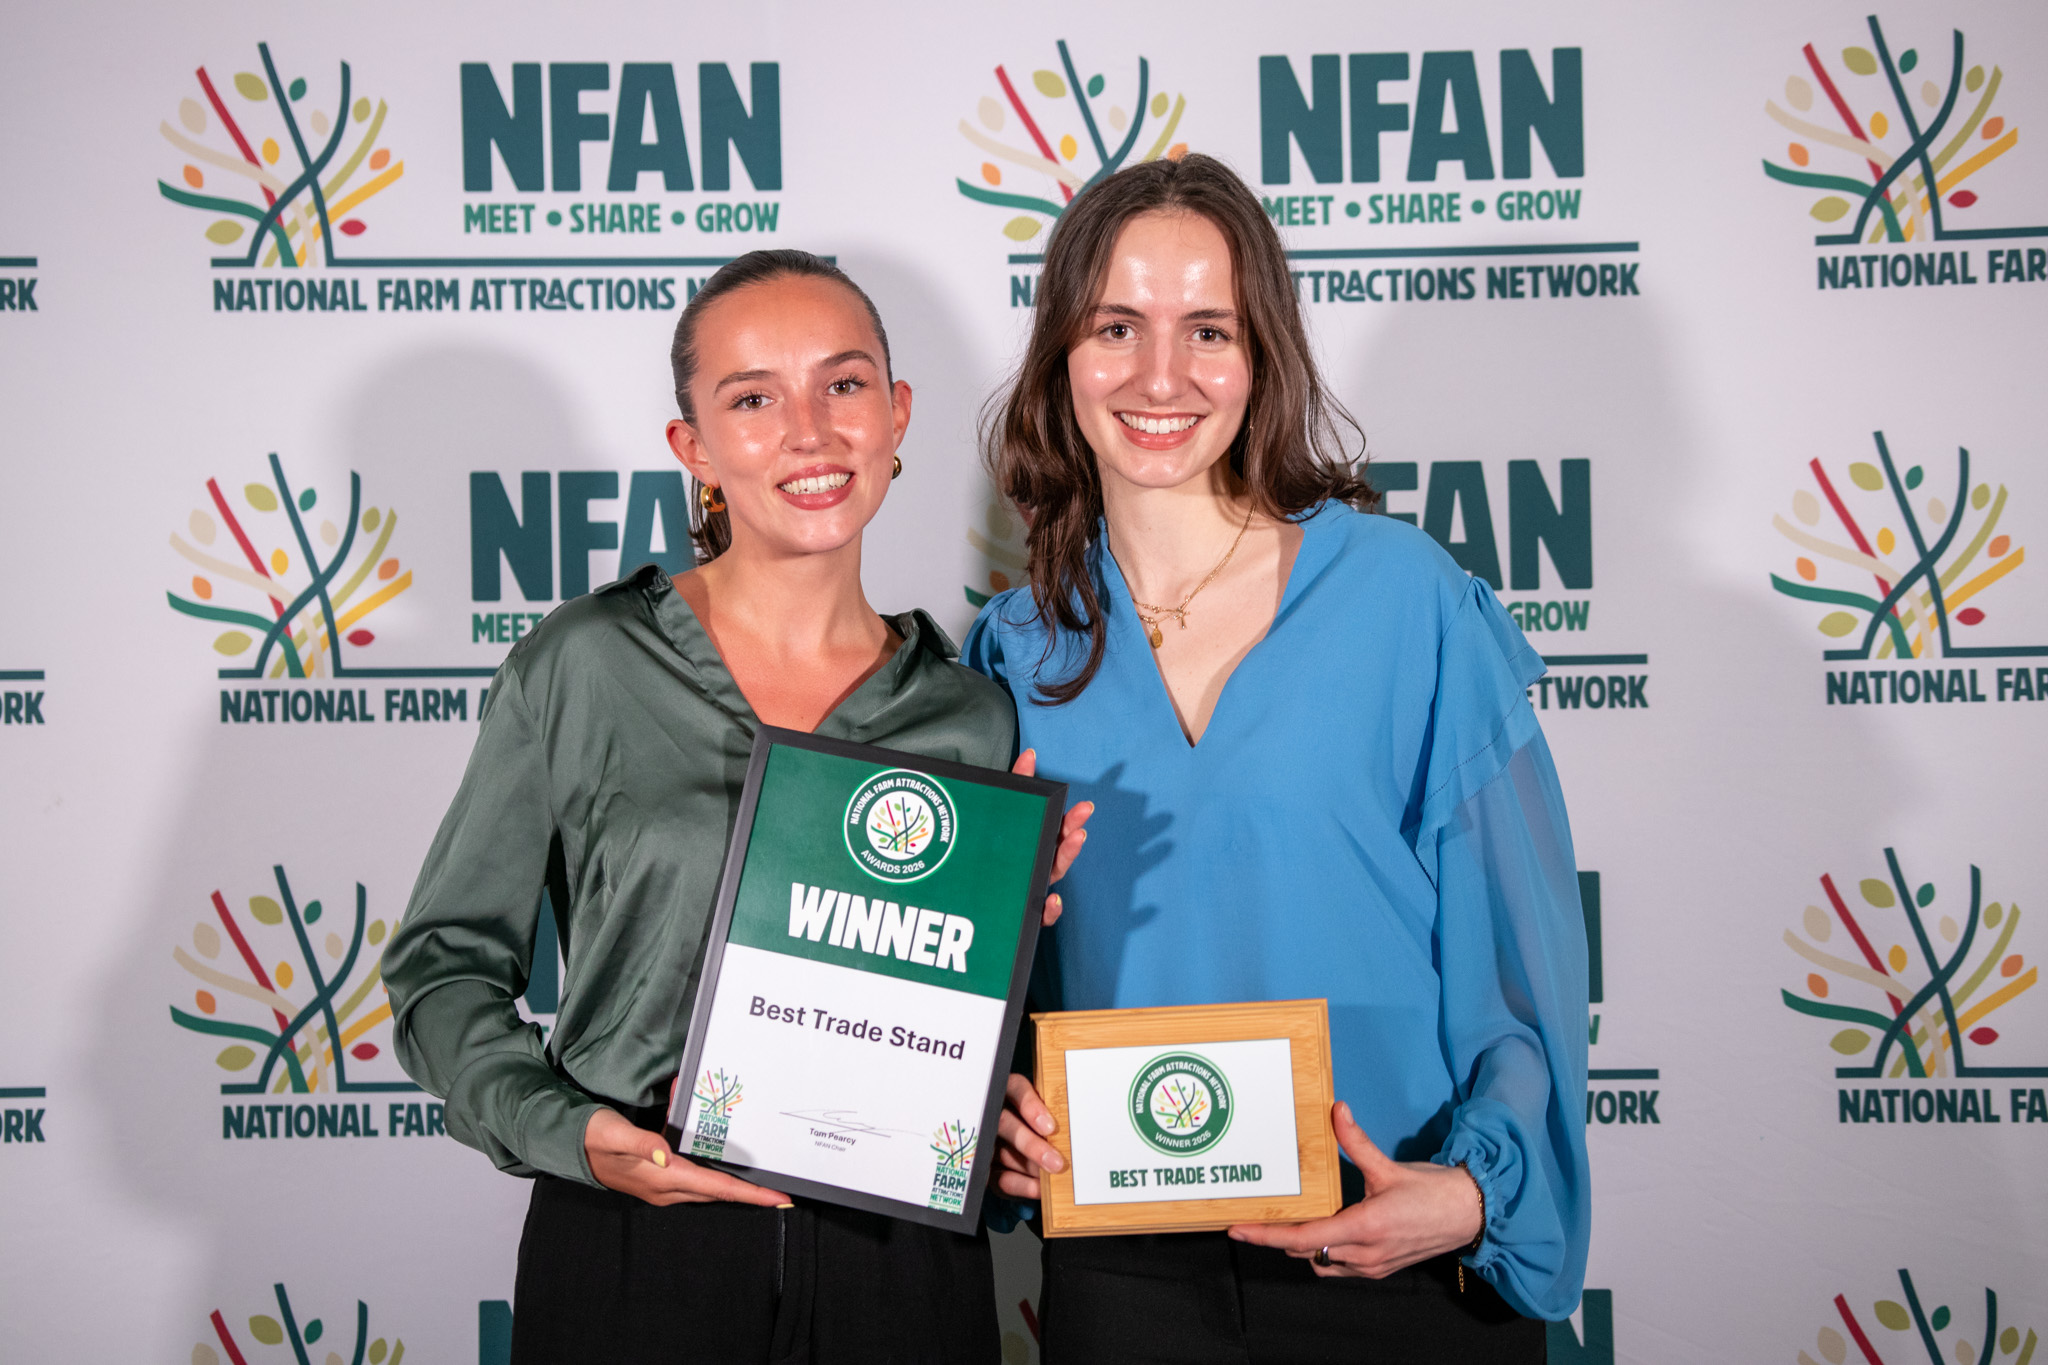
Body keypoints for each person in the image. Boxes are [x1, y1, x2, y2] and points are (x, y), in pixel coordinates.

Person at [383, 249, 1089, 1365]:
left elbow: (974, 1047)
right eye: (753, 399)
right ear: (694, 448)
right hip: (639, 1241)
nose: (809, 432)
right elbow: (442, 969)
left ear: (897, 415)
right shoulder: (584, 664)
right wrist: (572, 1132)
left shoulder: (969, 716)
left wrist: (1002, 1008)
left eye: (843, 384)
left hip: (899, 1264)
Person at [965, 155, 1589, 1363]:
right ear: (1060, 356)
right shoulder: (1011, 650)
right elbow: (988, 986)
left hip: (1391, 1246)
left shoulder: (1406, 602)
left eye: (1207, 329)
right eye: (1115, 326)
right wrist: (995, 1116)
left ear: (1261, 358)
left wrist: (1474, 1193)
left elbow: (1521, 960)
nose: (1159, 376)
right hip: (1123, 1280)